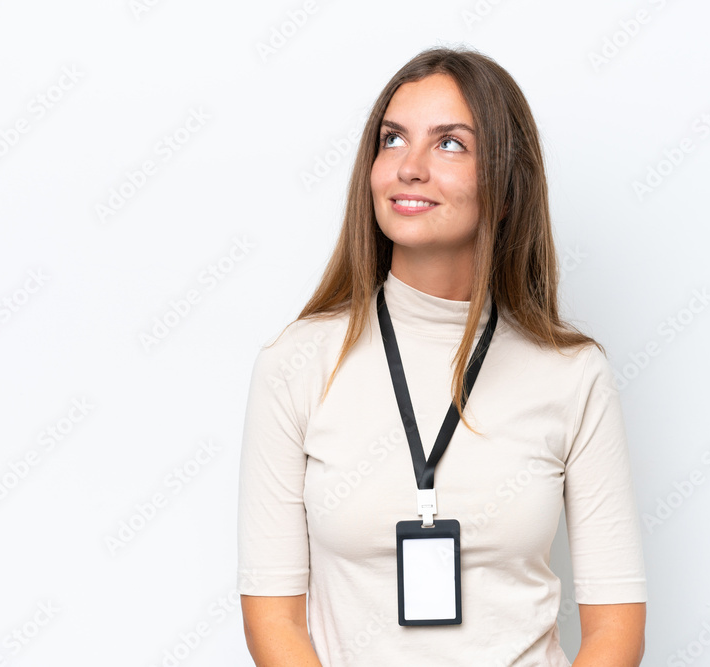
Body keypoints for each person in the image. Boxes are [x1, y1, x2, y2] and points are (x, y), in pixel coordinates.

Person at [237, 45, 647, 666]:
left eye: (450, 143)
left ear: (507, 189)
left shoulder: (572, 373)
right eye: (393, 139)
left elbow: (617, 631)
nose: (410, 167)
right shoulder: (295, 364)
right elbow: (273, 620)